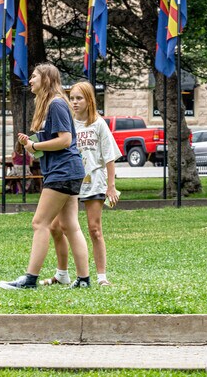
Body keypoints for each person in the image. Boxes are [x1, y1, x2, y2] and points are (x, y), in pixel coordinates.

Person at [0, 63, 90, 290]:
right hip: (69, 169)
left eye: (34, 76)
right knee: (70, 226)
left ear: (46, 79)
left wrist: (35, 144)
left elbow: (65, 140)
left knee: (40, 223)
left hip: (63, 171)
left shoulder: (56, 104)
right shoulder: (54, 104)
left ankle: (30, 279)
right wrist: (30, 145)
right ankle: (84, 280)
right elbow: (56, 143)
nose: (30, 80)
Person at [41, 82, 121, 287]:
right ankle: (62, 274)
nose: (75, 102)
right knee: (56, 227)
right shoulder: (67, 123)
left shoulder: (98, 124)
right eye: (72, 98)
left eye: (79, 98)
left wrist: (111, 186)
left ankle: (102, 277)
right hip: (70, 180)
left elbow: (109, 157)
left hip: (94, 182)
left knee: (95, 229)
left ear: (89, 100)